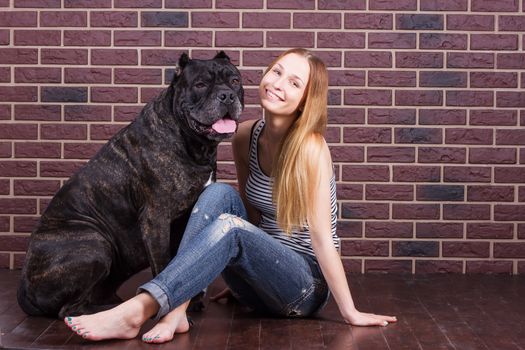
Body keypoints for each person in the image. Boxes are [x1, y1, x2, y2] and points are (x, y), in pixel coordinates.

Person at [64, 48, 397, 343]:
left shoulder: (312, 148)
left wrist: (350, 310)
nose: (279, 84)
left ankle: (139, 310)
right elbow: (249, 214)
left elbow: (324, 239)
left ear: (306, 101)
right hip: (261, 282)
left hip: (304, 287)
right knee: (219, 193)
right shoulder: (245, 135)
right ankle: (177, 309)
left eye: (295, 83)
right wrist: (244, 265)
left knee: (230, 227)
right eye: (277, 71)